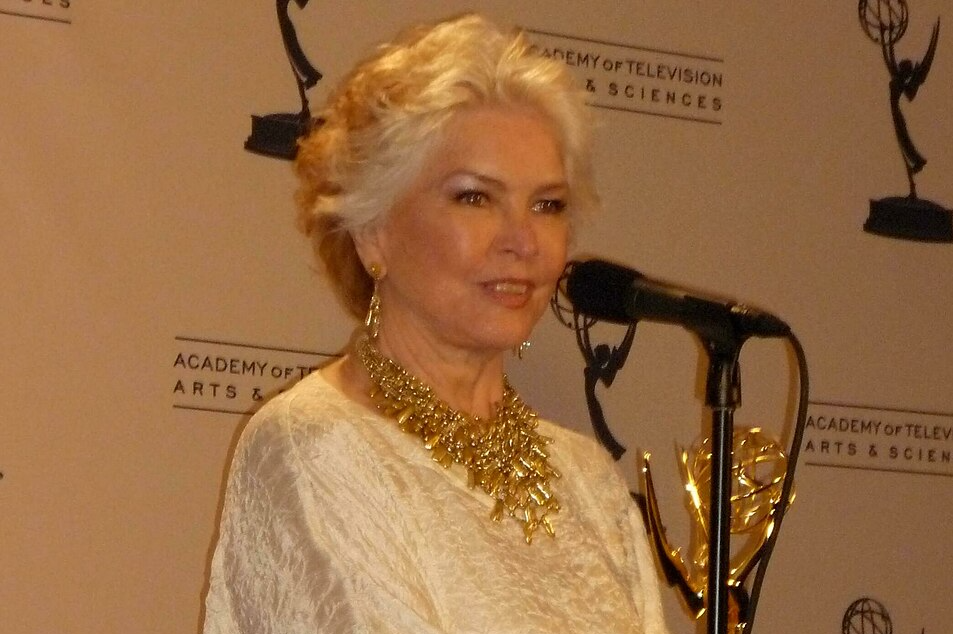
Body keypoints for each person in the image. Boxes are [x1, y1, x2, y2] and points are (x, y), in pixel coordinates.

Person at [203, 13, 671, 634]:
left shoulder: (588, 483)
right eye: (475, 197)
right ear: (373, 229)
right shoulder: (313, 446)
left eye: (548, 206)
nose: (523, 241)